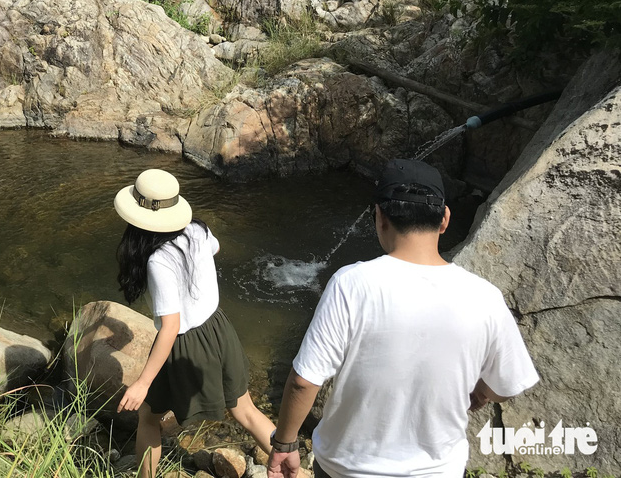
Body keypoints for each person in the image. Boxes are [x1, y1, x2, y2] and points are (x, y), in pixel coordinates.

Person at [266, 159, 539, 478]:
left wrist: (285, 444)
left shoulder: (352, 283)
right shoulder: (485, 295)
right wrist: (482, 390)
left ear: (380, 217)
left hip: (349, 469)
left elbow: (303, 380)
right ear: (445, 219)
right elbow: (509, 382)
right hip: (439, 471)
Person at [114, 168, 276, 478]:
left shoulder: (157, 261)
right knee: (246, 411)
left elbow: (171, 327)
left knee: (148, 417)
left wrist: (142, 382)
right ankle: (297, 469)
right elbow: (215, 248)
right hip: (218, 330)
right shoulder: (197, 231)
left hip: (184, 345)